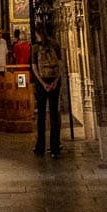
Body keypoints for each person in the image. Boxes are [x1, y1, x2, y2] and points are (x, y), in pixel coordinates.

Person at [30, 22, 63, 158]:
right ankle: (55, 148)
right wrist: (55, 81)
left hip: (42, 84)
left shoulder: (35, 48)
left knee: (41, 116)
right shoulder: (55, 44)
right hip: (55, 82)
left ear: (36, 33)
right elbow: (61, 64)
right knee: (54, 114)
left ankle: (41, 147)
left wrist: (43, 83)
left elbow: (34, 67)